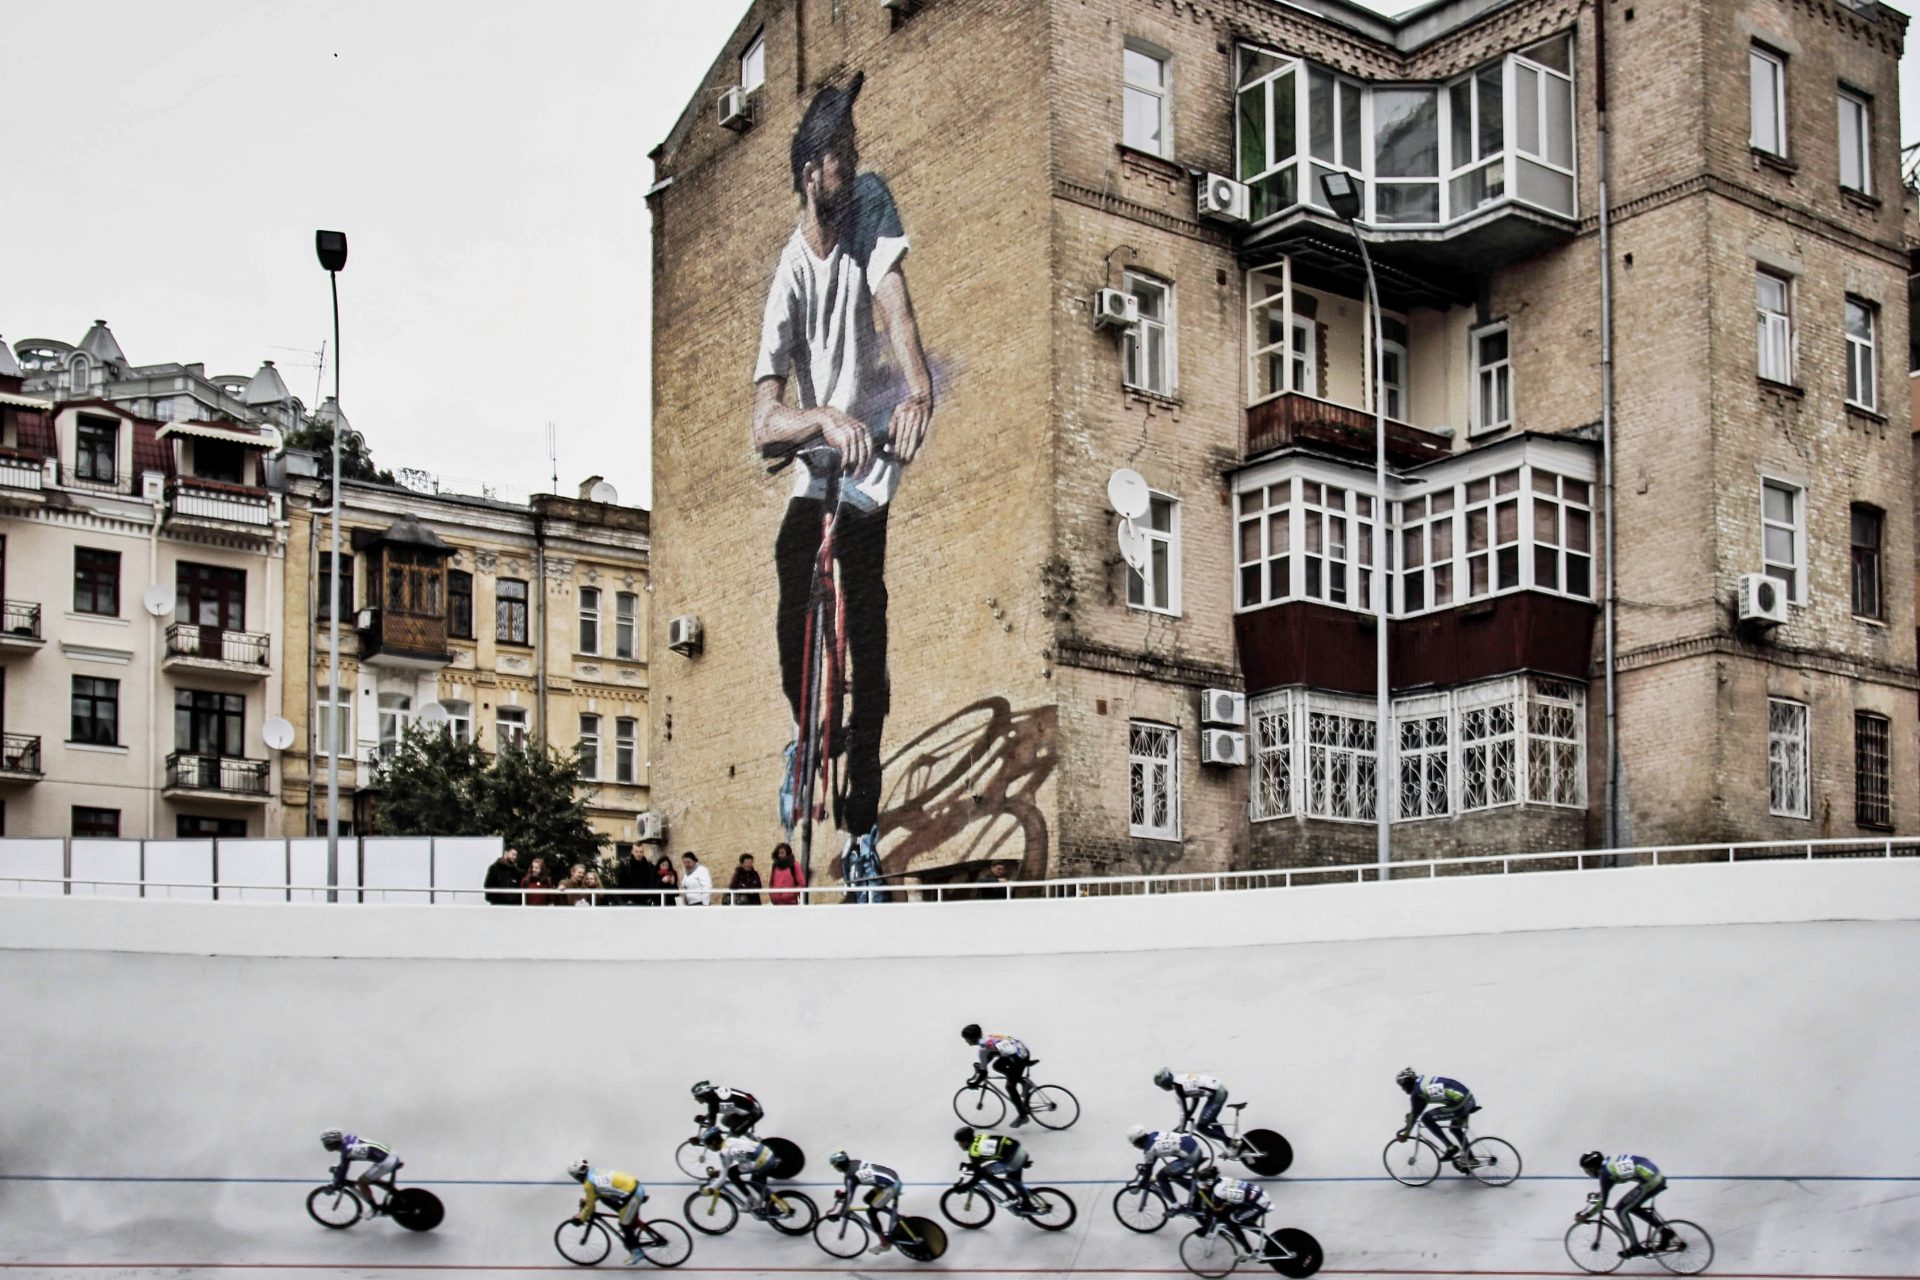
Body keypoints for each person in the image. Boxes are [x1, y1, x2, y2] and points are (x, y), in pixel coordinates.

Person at [754, 70, 935, 872]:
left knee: (871, 642)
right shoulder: (789, 276)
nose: (853, 166)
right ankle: (806, 737)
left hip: (872, 476)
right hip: (818, 464)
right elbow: (764, 421)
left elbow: (893, 302)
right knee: (794, 578)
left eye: (855, 152)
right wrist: (821, 416)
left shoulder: (869, 204)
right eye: (840, 158)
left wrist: (917, 387)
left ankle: (862, 829)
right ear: (809, 174)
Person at [1579, 1151, 1672, 1258]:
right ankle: (1664, 1231)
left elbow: (1602, 1203)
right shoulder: (1608, 1163)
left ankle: (1635, 1247)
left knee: (1620, 1210)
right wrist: (1600, 1194)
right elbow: (1607, 1188)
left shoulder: (1604, 1174)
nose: (1588, 1173)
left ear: (1594, 1168)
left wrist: (1587, 1215)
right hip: (1655, 1177)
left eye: (1587, 1170)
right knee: (1632, 1207)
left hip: (1650, 1182)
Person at [567, 1157, 650, 1267]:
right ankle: (629, 1219)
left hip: (633, 1195)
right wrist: (587, 1201)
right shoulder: (594, 1172)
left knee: (623, 1224)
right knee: (604, 1198)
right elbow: (598, 1192)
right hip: (634, 1187)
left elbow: (590, 1207)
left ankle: (637, 1252)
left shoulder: (588, 1184)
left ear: (577, 1176)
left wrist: (581, 1219)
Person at [827, 1149, 903, 1255]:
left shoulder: (850, 1176)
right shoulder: (854, 1163)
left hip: (890, 1187)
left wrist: (839, 1215)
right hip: (892, 1179)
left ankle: (884, 1244)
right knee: (868, 1199)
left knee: (871, 1212)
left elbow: (849, 1199)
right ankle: (896, 1216)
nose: (835, 1168)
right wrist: (844, 1194)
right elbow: (850, 1190)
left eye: (834, 1165)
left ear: (839, 1165)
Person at [1396, 1067, 1478, 1162]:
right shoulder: (1422, 1084)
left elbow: (1415, 1115)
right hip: (1468, 1100)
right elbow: (1417, 1110)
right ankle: (1470, 1159)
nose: (1402, 1089)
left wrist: (1406, 1135)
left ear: (1407, 1082)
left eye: (1402, 1085)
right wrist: (1411, 1117)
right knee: (1455, 1129)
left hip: (1461, 1104)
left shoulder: (1417, 1092)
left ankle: (1450, 1147)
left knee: (1426, 1119)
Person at [1190, 1165, 1273, 1258]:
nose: (1203, 1186)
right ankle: (1271, 1240)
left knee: (1232, 1222)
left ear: (1210, 1182)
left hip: (1259, 1204)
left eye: (1204, 1184)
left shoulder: (1218, 1192)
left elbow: (1215, 1214)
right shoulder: (1224, 1179)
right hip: (1260, 1197)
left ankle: (1248, 1251)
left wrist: (1204, 1230)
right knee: (1241, 1219)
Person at [962, 1024, 1034, 1126]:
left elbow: (983, 1073)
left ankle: (1023, 1116)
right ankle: (1023, 1082)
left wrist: (976, 1083)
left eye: (967, 1039)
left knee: (1010, 1087)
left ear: (973, 1038)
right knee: (997, 1066)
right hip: (1021, 1051)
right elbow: (992, 1054)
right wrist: (983, 1065)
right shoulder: (987, 1037)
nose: (966, 1041)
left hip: (1019, 1058)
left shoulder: (983, 1048)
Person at [953, 1126, 1037, 1214]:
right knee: (1014, 1179)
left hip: (1012, 1159)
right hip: (1019, 1151)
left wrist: (966, 1186)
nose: (959, 1145)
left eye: (959, 1143)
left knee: (985, 1174)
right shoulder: (980, 1138)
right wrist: (970, 1166)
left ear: (965, 1142)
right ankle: (1027, 1203)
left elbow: (978, 1174)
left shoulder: (974, 1151)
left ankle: (1010, 1196)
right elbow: (985, 1157)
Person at [701, 1126, 777, 1218]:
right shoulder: (730, 1140)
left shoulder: (725, 1152)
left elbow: (723, 1177)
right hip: (767, 1153)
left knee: (732, 1173)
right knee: (755, 1182)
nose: (709, 1149)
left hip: (762, 1161)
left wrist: (711, 1188)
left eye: (708, 1146)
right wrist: (720, 1171)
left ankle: (752, 1200)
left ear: (713, 1142)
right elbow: (738, 1162)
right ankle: (769, 1205)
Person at [1127, 1124, 1208, 1207]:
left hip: (1190, 1156)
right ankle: (1198, 1193)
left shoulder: (1149, 1150)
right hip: (1194, 1147)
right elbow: (1153, 1158)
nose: (1136, 1147)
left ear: (1139, 1141)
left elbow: (1148, 1173)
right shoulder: (1154, 1134)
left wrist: (1139, 1187)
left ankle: (1175, 1206)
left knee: (1161, 1177)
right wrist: (1147, 1167)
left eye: (1135, 1144)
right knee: (1173, 1174)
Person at [320, 1129, 399, 1214]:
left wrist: (334, 1187)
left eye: (326, 1144)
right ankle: (396, 1194)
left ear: (333, 1144)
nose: (324, 1146)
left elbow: (342, 1174)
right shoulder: (348, 1139)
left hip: (386, 1161)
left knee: (361, 1182)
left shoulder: (347, 1152)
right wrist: (339, 1169)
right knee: (371, 1178)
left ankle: (375, 1208)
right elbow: (343, 1166)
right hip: (391, 1154)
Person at [1155, 1068, 1232, 1145]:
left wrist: (1180, 1130)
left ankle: (1232, 1142)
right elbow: (1196, 1099)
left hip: (1217, 1093)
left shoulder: (1178, 1088)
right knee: (1210, 1120)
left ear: (1165, 1084)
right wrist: (1189, 1114)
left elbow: (1183, 1113)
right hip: (1217, 1090)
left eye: (1161, 1086)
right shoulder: (1180, 1080)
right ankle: (1231, 1147)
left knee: (1201, 1127)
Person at [691, 1081, 764, 1137]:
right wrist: (706, 1117)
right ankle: (746, 1135)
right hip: (750, 1107)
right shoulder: (715, 1092)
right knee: (725, 1121)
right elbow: (719, 1109)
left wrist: (700, 1138)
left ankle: (755, 1145)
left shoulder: (713, 1102)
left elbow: (711, 1127)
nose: (695, 1099)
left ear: (704, 1095)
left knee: (733, 1134)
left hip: (753, 1112)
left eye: (697, 1096)